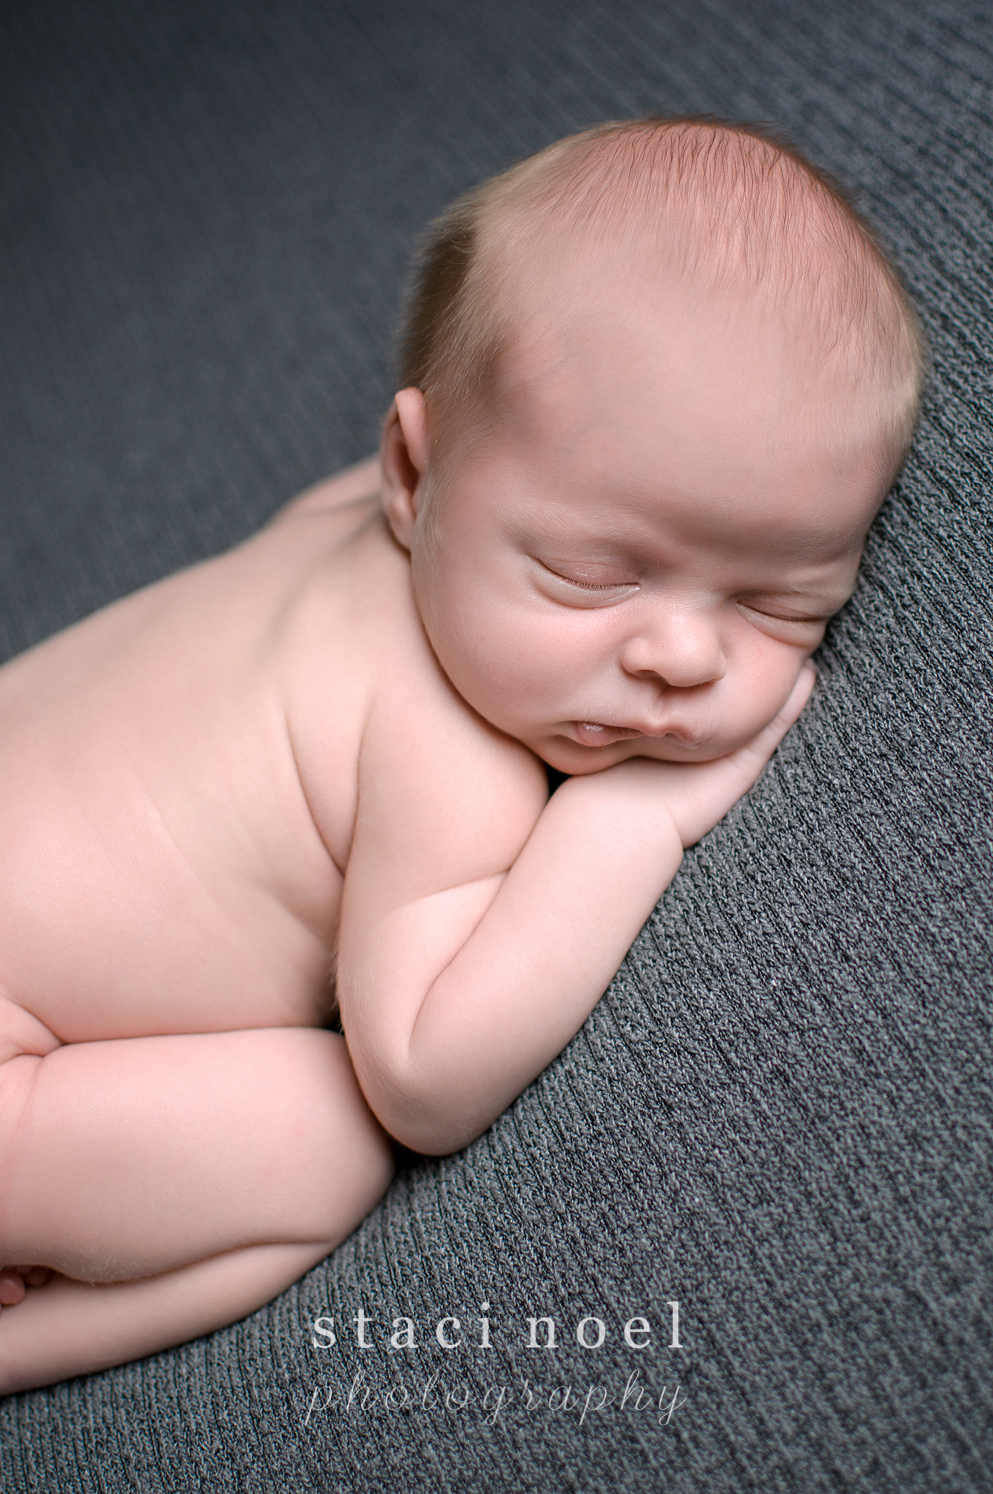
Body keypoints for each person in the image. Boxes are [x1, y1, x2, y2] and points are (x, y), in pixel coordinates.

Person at [0, 115, 922, 1395]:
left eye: (779, 604)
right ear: (411, 479)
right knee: (325, 1152)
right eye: (591, 572)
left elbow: (514, 435)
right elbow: (422, 1076)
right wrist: (625, 828)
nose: (679, 655)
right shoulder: (446, 754)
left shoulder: (340, 519)